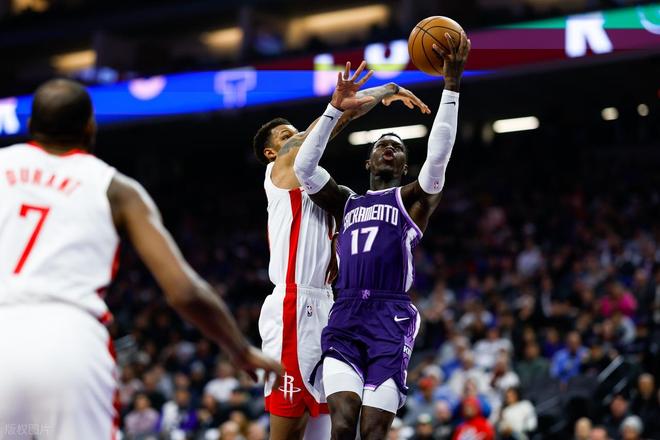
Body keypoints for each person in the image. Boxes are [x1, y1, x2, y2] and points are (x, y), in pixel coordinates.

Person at [0, 79, 282, 439]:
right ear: (90, 127)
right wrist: (238, 348)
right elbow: (183, 291)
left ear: (30, 126)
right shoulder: (116, 189)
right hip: (70, 341)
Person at [294, 32, 470, 440]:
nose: (389, 148)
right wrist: (334, 110)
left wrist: (452, 84)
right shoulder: (345, 202)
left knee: (372, 432)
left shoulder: (412, 201)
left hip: (391, 318)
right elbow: (303, 168)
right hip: (345, 314)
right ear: (368, 161)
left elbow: (438, 157)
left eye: (398, 146)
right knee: (341, 424)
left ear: (405, 166)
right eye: (381, 144)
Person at [253, 65, 429, 439]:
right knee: (288, 426)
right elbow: (332, 122)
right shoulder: (280, 172)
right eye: (286, 136)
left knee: (329, 425)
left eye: (295, 132)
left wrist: (387, 90)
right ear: (271, 153)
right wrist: (343, 105)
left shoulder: (337, 194)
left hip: (333, 307)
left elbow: (345, 113)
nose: (295, 137)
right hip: (294, 304)